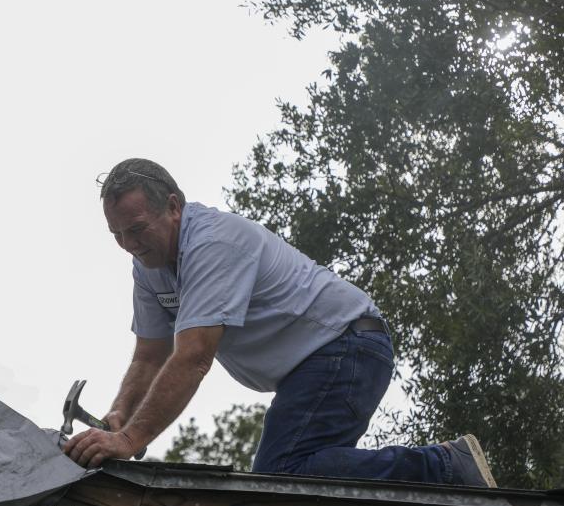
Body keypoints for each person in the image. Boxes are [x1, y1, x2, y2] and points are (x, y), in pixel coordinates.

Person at [63, 158, 497, 487]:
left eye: (136, 229)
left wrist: (132, 438)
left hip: (346, 346)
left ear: (173, 207)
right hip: (316, 364)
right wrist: (118, 419)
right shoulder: (149, 266)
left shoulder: (213, 243)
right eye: (117, 235)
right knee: (299, 475)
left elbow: (193, 357)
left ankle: (441, 465)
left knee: (281, 475)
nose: (128, 245)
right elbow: (149, 355)